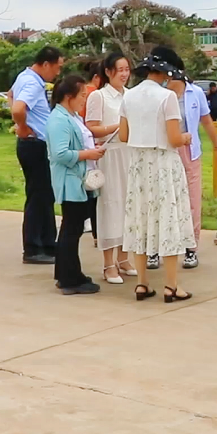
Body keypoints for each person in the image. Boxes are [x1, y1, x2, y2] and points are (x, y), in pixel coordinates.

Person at [119, 54, 196, 303]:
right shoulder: (168, 97)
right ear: (164, 75)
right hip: (163, 162)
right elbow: (174, 138)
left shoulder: (128, 95)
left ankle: (142, 283)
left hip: (139, 163)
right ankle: (171, 286)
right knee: (168, 218)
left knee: (140, 220)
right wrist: (185, 138)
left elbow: (123, 135)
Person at [150, 46, 217, 270]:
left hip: (190, 152)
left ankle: (191, 249)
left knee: (191, 202)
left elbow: (206, 121)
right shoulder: (157, 94)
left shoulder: (195, 92)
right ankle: (154, 249)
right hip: (164, 150)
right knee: (161, 199)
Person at [47, 75, 107, 294]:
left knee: (71, 228)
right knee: (71, 229)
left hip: (79, 179)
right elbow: (60, 153)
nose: (84, 99)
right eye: (82, 95)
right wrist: (88, 153)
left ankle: (67, 274)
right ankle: (70, 278)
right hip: (70, 181)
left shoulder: (71, 117)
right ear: (68, 96)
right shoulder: (59, 120)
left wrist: (92, 148)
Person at [85, 51, 137, 283]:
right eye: (120, 69)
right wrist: (118, 126)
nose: (125, 74)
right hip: (110, 155)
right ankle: (108, 264)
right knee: (110, 206)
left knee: (129, 205)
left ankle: (124, 258)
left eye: (127, 69)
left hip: (129, 154)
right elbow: (92, 128)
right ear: (108, 72)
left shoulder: (131, 95)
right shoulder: (99, 96)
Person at [11, 46, 64, 265]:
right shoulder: (33, 83)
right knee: (38, 196)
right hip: (35, 144)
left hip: (35, 143)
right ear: (45, 64)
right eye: (57, 68)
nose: (58, 73)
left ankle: (47, 243)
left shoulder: (25, 77)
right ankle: (33, 247)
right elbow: (17, 108)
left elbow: (10, 95)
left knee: (43, 196)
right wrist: (22, 126)